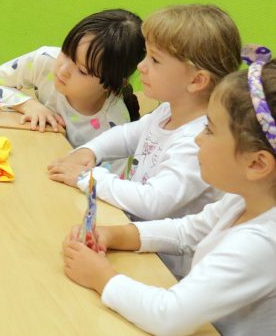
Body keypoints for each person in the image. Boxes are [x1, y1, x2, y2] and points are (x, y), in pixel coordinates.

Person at [61, 54, 276, 336]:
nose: (197, 137)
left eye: (209, 129)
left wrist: (102, 277)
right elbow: (188, 231)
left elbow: (169, 317)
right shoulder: (247, 199)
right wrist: (115, 235)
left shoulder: (260, 243)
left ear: (256, 164)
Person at [47, 4, 241, 275]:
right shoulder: (169, 110)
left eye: (155, 60)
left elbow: (153, 202)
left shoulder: (198, 140)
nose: (141, 66)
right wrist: (91, 150)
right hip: (133, 241)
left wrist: (86, 178)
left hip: (165, 267)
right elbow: (129, 134)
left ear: (197, 80)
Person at [0, 9, 145, 147]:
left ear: (112, 83)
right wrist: (28, 105)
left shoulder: (113, 127)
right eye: (66, 52)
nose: (63, 69)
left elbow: (106, 183)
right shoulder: (46, 60)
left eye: (82, 70)